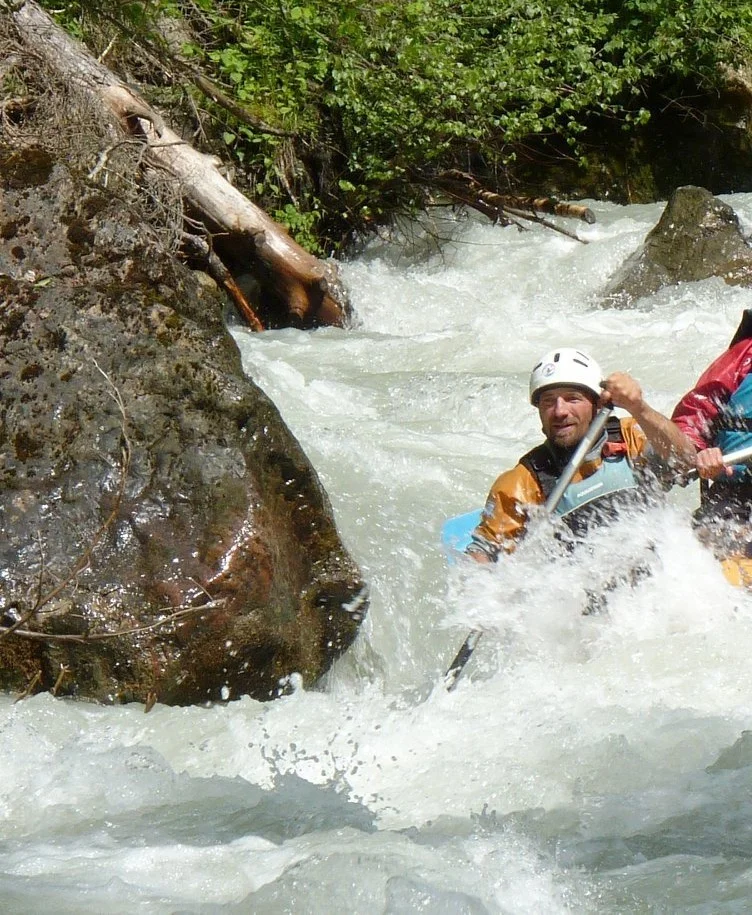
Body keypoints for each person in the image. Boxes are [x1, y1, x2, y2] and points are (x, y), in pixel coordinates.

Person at [466, 347, 696, 563]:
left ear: (597, 404)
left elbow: (685, 460)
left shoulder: (631, 437)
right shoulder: (523, 482)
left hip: (662, 573)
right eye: (548, 401)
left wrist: (638, 407)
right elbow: (484, 557)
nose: (560, 411)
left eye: (573, 398)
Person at [671, 310, 752, 552]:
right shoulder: (742, 358)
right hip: (736, 494)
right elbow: (692, 419)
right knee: (710, 549)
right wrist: (700, 452)